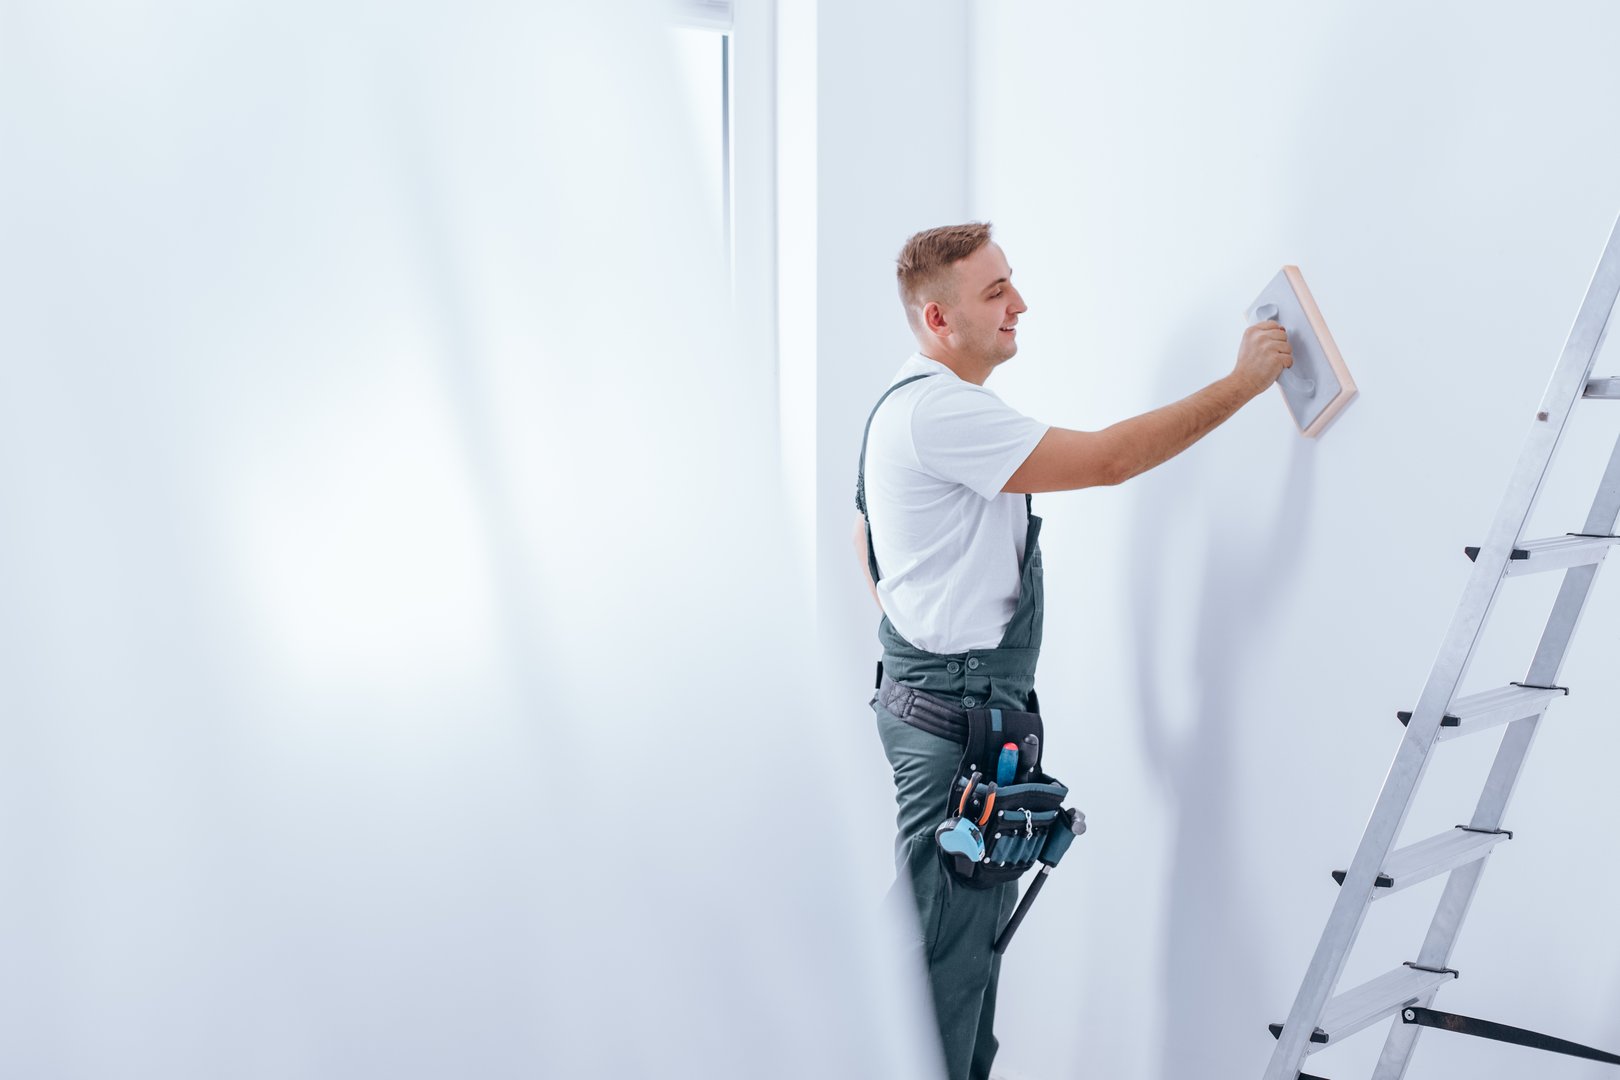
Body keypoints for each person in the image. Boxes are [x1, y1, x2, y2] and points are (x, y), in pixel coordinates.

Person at [855, 222, 1293, 1080]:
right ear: (939, 320)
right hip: (956, 727)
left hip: (943, 711)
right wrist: (1245, 382)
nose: (1019, 303)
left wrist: (930, 629)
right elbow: (1109, 461)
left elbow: (865, 543)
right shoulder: (941, 411)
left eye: (1010, 282)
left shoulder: (897, 405)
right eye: (995, 292)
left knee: (953, 964)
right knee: (940, 982)